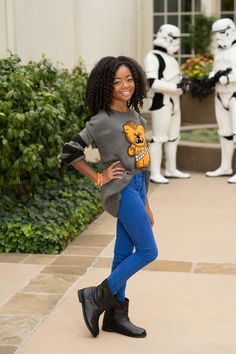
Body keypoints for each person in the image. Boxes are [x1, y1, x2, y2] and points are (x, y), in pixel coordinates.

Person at [61, 56, 158, 338]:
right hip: (122, 191)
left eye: (129, 79)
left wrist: (147, 203)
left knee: (122, 255)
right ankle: (95, 294)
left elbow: (143, 163)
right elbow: (70, 152)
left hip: (138, 188)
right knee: (148, 251)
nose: (125, 85)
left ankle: (116, 317)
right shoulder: (101, 121)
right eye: (117, 81)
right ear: (107, 85)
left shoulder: (136, 116)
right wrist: (99, 177)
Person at [144, 24, 191, 183]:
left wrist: (182, 84)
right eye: (174, 39)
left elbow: (174, 80)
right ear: (166, 37)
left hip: (174, 101)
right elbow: (152, 82)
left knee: (173, 137)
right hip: (160, 101)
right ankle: (155, 172)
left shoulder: (171, 59)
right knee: (159, 137)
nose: (176, 43)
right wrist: (175, 87)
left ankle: (171, 169)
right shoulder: (152, 56)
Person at [205, 18, 236, 183]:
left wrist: (229, 79)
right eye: (216, 34)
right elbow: (216, 69)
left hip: (234, 94)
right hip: (220, 94)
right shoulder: (218, 50)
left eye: (221, 33)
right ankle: (225, 166)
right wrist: (214, 75)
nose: (218, 38)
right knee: (224, 133)